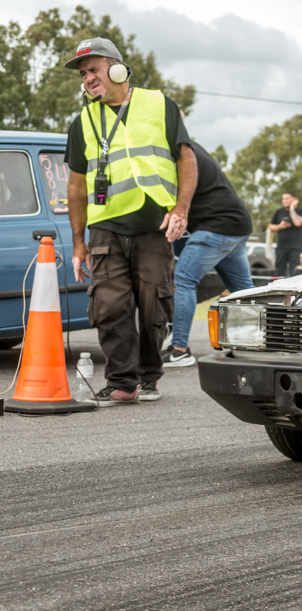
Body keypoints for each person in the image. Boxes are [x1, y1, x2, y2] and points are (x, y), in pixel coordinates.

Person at [63, 37, 197, 405]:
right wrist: (78, 242)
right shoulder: (83, 122)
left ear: (119, 69)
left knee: (154, 306)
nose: (88, 78)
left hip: (154, 224)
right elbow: (75, 185)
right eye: (83, 73)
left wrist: (181, 209)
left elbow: (186, 158)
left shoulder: (159, 104)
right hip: (106, 228)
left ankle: (149, 377)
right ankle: (122, 381)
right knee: (109, 307)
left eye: (94, 69)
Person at [162, 142, 254, 369]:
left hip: (216, 227)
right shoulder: (190, 147)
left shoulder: (174, 152)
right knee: (245, 293)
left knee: (183, 280)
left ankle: (179, 351)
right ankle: (269, 343)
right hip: (237, 223)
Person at [268, 192, 302, 276]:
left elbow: (297, 223)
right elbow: (271, 227)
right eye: (283, 198)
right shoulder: (279, 212)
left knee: (295, 272)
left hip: (296, 248)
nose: (284, 200)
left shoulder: (300, 211)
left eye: (287, 198)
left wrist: (292, 209)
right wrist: (280, 226)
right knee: (279, 272)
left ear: (294, 199)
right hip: (281, 247)